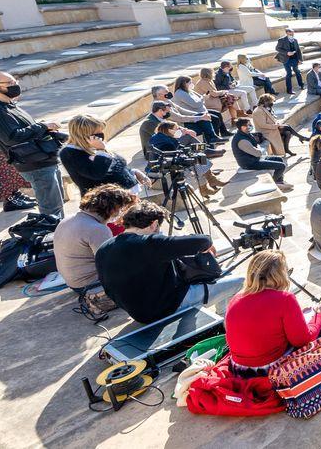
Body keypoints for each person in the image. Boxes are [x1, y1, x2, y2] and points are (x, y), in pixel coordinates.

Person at [95, 201, 243, 324]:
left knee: (222, 275)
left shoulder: (104, 248)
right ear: (153, 224)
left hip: (137, 311)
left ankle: (220, 316)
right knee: (241, 281)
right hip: (165, 309)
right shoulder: (150, 243)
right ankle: (226, 320)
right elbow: (204, 240)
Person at [225, 251, 321, 376]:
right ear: (280, 274)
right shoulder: (285, 299)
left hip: (239, 369)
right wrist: (319, 314)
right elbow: (303, 340)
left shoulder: (235, 299)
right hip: (268, 370)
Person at [53, 184, 136, 317]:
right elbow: (113, 266)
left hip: (74, 283)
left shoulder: (68, 219)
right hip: (89, 286)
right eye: (122, 209)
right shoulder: (98, 229)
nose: (122, 214)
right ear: (113, 208)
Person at [0, 72, 66, 216]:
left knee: (57, 205)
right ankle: (51, 237)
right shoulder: (0, 111)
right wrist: (42, 126)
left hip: (44, 159)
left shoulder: (10, 105)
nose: (15, 85)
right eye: (9, 83)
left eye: (14, 81)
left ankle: (59, 235)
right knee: (51, 210)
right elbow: (12, 137)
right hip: (34, 164)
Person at [59, 115, 146, 195]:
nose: (101, 136)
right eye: (97, 133)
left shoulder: (93, 146)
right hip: (106, 203)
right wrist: (101, 150)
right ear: (83, 135)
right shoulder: (70, 153)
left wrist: (132, 172)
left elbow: (113, 167)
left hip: (126, 196)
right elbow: (96, 173)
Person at [231, 117, 294, 191]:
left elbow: (257, 148)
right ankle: (273, 183)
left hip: (254, 159)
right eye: (248, 125)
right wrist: (260, 149)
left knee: (279, 159)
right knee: (281, 166)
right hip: (249, 163)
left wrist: (259, 149)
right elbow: (258, 153)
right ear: (242, 127)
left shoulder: (246, 134)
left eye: (250, 125)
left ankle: (279, 181)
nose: (250, 127)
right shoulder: (242, 140)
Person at [274, 27, 303, 94]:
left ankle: (301, 85)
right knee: (289, 73)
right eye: (291, 32)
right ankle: (289, 90)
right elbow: (277, 48)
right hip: (286, 59)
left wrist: (300, 59)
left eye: (293, 32)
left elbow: (298, 50)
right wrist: (287, 53)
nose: (292, 33)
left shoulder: (295, 40)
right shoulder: (281, 40)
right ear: (287, 33)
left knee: (297, 71)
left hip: (294, 59)